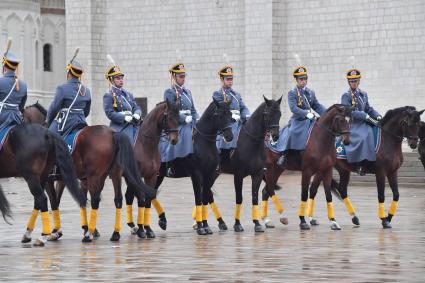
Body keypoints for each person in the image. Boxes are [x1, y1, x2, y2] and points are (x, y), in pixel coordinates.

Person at [276, 65, 326, 166]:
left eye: (305, 79)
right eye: (301, 79)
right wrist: (306, 113)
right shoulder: (292, 93)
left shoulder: (310, 92)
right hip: (298, 120)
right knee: (291, 132)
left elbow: (316, 105)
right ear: (296, 80)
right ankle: (284, 155)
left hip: (310, 120)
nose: (303, 81)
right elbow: (293, 108)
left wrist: (326, 113)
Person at [341, 68, 381, 175]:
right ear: (349, 82)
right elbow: (348, 111)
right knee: (364, 135)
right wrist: (364, 115)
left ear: (359, 81)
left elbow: (368, 108)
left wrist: (377, 116)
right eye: (351, 81)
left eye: (355, 81)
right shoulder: (346, 95)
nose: (353, 83)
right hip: (352, 123)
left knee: (377, 130)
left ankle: (374, 159)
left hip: (364, 122)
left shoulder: (363, 94)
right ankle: (359, 164)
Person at [159, 62, 198, 171]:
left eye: (184, 76)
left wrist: (195, 120)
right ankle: (170, 164)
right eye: (180, 76)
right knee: (179, 135)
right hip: (177, 122)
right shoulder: (169, 92)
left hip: (190, 121)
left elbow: (193, 109)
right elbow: (171, 110)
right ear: (174, 76)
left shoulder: (188, 92)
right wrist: (184, 118)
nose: (183, 78)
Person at [47, 48, 91, 138]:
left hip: (67, 122)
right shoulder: (87, 91)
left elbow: (54, 109)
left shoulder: (62, 88)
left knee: (48, 136)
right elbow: (86, 112)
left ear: (69, 73)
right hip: (82, 121)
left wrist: (49, 121)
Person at [213, 65, 250, 163]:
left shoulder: (236, 94)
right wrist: (231, 116)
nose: (230, 81)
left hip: (239, 121)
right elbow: (220, 110)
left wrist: (247, 115)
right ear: (222, 79)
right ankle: (224, 158)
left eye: (231, 79)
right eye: (228, 79)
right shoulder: (218, 94)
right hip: (227, 122)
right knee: (232, 133)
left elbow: (243, 107)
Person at [103, 56, 142, 145]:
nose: (121, 80)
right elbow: (110, 113)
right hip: (120, 127)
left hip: (133, 124)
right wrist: (123, 117)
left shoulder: (128, 94)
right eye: (118, 78)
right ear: (111, 80)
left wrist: (137, 113)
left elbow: (136, 107)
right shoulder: (108, 95)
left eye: (121, 78)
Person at [0, 39, 27, 131]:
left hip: (2, 117)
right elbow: (21, 106)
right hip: (17, 118)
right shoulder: (23, 85)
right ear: (15, 67)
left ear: (4, 66)